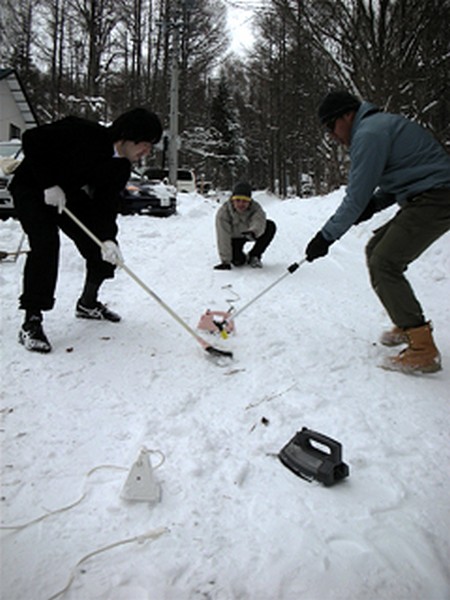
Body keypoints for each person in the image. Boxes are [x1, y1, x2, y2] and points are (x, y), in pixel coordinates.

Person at [304, 90, 450, 374]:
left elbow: (355, 197)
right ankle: (406, 322)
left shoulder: (369, 134)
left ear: (347, 115)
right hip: (427, 194)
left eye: (330, 126)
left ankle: (422, 349)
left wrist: (326, 237)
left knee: (385, 262)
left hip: (437, 197)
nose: (332, 136)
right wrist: (375, 204)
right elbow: (405, 173)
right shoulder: (378, 126)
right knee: (376, 249)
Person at [10, 107, 163, 353]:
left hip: (67, 194)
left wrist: (108, 239)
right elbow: (32, 139)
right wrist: (48, 184)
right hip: (33, 187)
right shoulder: (82, 132)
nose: (147, 151)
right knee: (46, 244)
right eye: (144, 144)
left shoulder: (120, 167)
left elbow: (106, 204)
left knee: (101, 248)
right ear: (126, 136)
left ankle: (87, 303)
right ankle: (32, 320)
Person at [214, 182, 276, 270]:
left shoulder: (256, 208)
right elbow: (223, 237)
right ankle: (241, 257)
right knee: (238, 262)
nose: (241, 204)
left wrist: (253, 231)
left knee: (270, 226)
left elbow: (258, 221)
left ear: (249, 201)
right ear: (232, 200)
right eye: (238, 200)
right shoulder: (223, 213)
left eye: (244, 201)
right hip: (234, 238)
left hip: (250, 233)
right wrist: (225, 261)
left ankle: (254, 255)